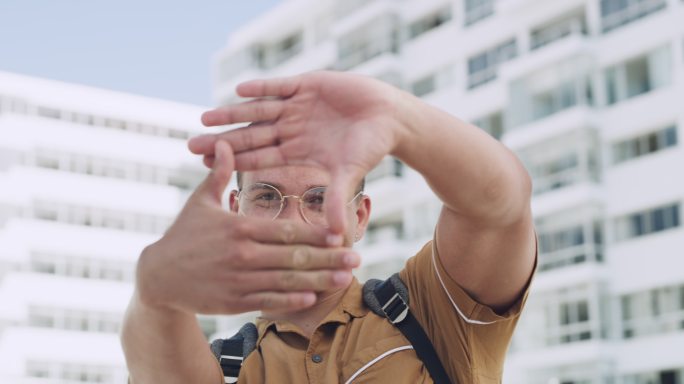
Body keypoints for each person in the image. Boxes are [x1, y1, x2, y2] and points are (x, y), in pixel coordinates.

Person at [121, 71, 537, 383]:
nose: (292, 220)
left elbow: (501, 205)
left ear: (359, 217)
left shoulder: (431, 314)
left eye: (320, 199)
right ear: (235, 209)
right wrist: (153, 289)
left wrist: (399, 119)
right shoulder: (222, 369)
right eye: (267, 196)